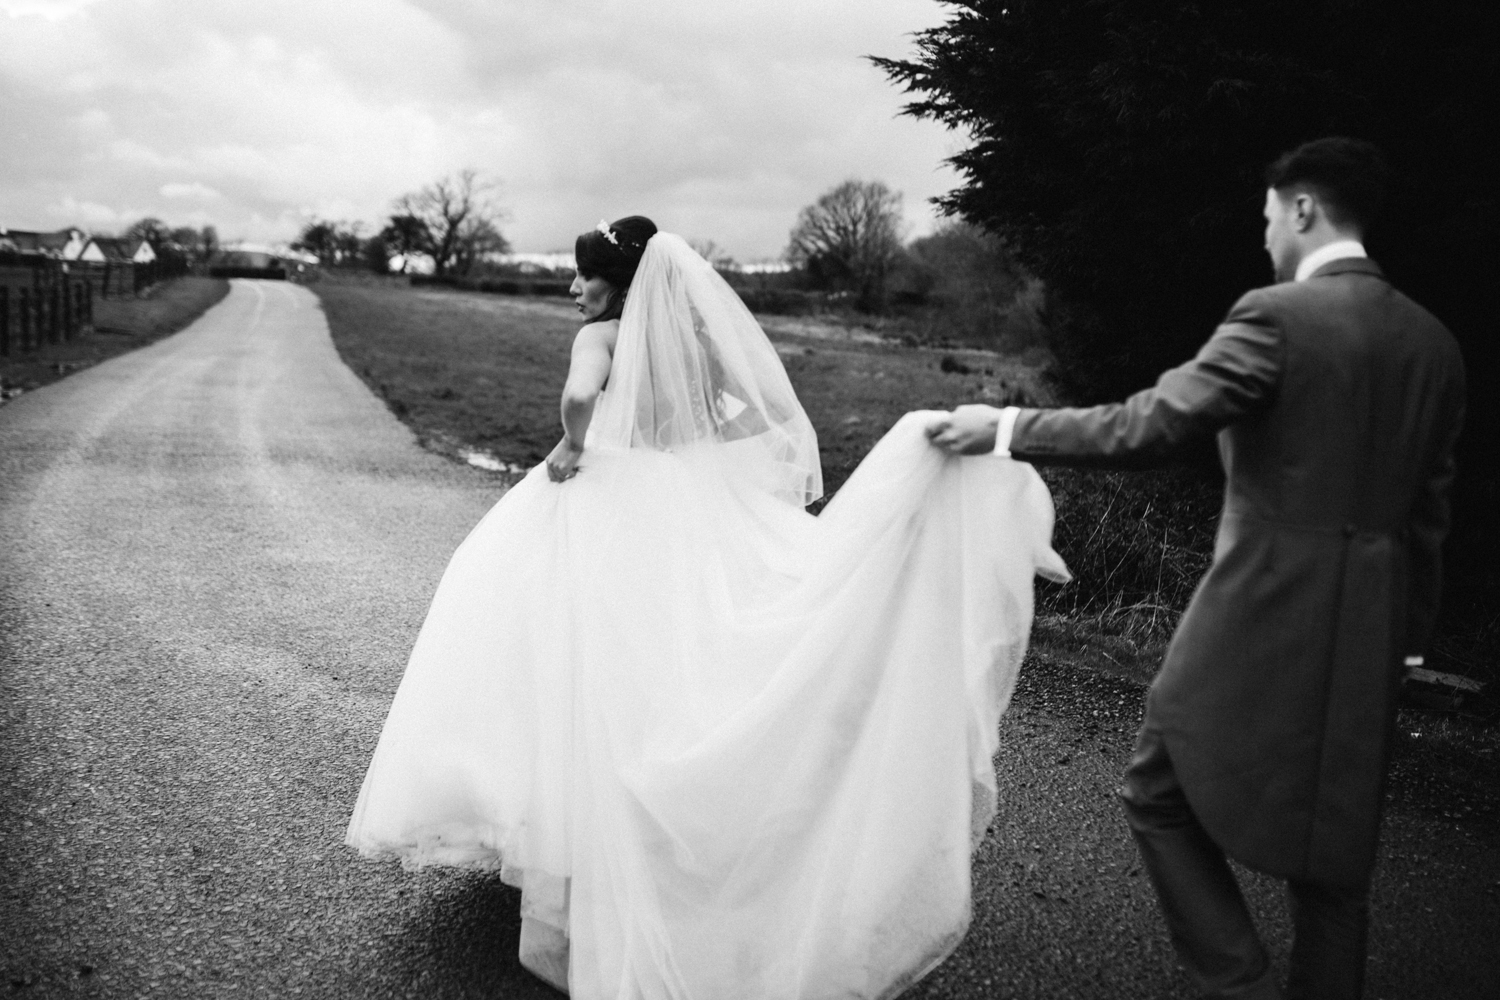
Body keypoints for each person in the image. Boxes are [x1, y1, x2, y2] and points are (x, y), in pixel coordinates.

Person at [345, 216, 1070, 998]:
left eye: (583, 276)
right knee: (680, 660)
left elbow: (578, 396)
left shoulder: (603, 337)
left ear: (616, 284)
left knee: (569, 658)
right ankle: (660, 826)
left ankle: (572, 831)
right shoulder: (694, 348)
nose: (571, 288)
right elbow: (761, 419)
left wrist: (573, 444)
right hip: (688, 503)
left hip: (607, 505)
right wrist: (699, 451)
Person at [929, 137, 1466, 1000]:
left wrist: (1005, 429)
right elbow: (1428, 518)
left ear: (1300, 208)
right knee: (1335, 870)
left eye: (1267, 218)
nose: (1265, 239)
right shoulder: (1433, 343)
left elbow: (1149, 424)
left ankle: (1236, 979)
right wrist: (1406, 643)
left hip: (1258, 605)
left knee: (1154, 786)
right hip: (1373, 621)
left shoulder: (1277, 317)